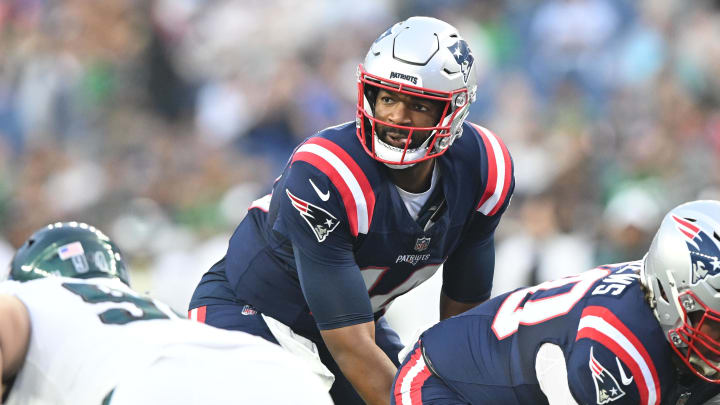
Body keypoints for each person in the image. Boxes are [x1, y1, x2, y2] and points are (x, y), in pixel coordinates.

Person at [188, 16, 515, 405]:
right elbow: (351, 347)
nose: (396, 116)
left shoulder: (483, 168)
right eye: (388, 97)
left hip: (355, 325)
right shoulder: (327, 173)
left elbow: (464, 320)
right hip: (254, 312)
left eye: (419, 105)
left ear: (455, 110)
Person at [391, 200, 720, 405]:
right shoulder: (618, 343)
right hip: (447, 385)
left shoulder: (662, 310)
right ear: (668, 297)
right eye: (715, 324)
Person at [0, 222, 332, 405]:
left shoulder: (29, 295)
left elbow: (7, 320)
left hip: (156, 386)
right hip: (283, 376)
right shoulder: (143, 307)